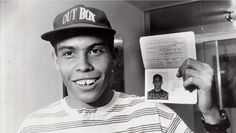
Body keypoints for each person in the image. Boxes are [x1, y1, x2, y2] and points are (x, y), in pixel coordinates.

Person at [17, 4, 230, 133]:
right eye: (68, 53)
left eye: (95, 51)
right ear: (55, 60)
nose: (83, 66)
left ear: (114, 57)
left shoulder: (155, 116)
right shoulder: (34, 126)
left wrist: (210, 112)